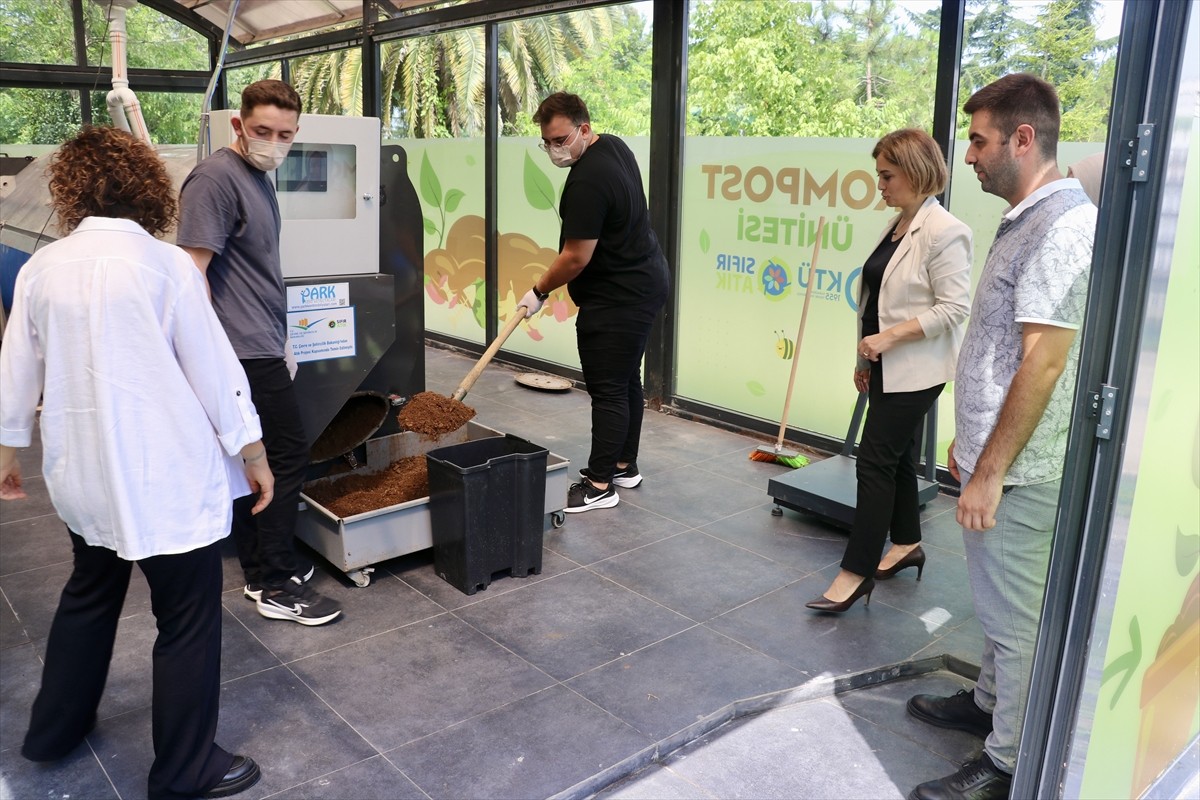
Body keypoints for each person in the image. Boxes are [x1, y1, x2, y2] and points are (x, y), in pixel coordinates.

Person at [0, 125, 271, 799]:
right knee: (185, 619)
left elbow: (15, 369)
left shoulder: (42, 269)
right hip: (166, 480)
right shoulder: (166, 266)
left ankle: (53, 730)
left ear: (69, 190)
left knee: (88, 594)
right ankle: (184, 771)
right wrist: (254, 451)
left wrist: (7, 450)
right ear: (148, 188)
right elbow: (214, 369)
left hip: (84, 478)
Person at [905, 74, 1096, 800]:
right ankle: (988, 707)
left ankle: (1008, 761)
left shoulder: (1060, 226)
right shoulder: (1028, 218)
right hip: (996, 454)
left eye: (980, 141)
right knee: (995, 604)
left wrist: (990, 469)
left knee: (1016, 620)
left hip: (1019, 472)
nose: (972, 157)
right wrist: (970, 439)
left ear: (1024, 139)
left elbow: (1043, 362)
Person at [178, 79, 341, 625]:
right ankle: (272, 581)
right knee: (290, 455)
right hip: (240, 351)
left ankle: (262, 563)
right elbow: (191, 276)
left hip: (263, 341)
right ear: (237, 126)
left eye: (285, 134)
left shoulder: (258, 176)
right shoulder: (216, 179)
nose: (274, 142)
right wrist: (213, 360)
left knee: (262, 459)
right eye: (262, 131)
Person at [806, 129, 972, 613]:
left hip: (918, 370)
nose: (879, 184)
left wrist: (887, 340)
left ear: (916, 172)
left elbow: (953, 309)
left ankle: (855, 572)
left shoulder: (946, 231)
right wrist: (865, 359)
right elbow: (876, 300)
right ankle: (905, 543)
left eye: (886, 175)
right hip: (884, 367)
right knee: (896, 459)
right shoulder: (899, 224)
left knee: (874, 463)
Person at [519, 92, 669, 513]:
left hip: (620, 296)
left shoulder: (588, 180)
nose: (554, 149)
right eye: (547, 141)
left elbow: (575, 257)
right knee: (624, 381)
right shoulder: (613, 145)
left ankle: (601, 484)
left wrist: (538, 291)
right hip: (644, 280)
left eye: (561, 139)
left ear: (584, 129)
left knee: (607, 390)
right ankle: (624, 465)